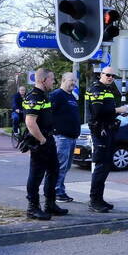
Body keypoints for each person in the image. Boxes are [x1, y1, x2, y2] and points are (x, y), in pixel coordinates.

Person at [23, 68, 68, 220]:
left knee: (54, 171)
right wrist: (42, 139)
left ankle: (50, 204)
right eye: (52, 79)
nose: (53, 82)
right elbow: (30, 122)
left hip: (48, 140)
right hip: (40, 141)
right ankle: (32, 208)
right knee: (36, 176)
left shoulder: (44, 96)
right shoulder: (34, 97)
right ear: (43, 80)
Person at [86, 66, 128, 213]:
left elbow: (106, 112)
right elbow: (98, 111)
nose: (111, 78)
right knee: (100, 166)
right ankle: (94, 201)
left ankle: (99, 198)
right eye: (108, 75)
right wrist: (119, 110)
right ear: (101, 75)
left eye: (113, 76)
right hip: (100, 131)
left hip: (107, 129)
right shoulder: (97, 88)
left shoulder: (106, 89)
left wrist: (117, 115)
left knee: (105, 166)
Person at [50, 71, 81, 203]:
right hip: (62, 137)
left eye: (75, 81)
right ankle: (56, 192)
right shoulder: (57, 95)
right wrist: (54, 130)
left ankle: (60, 190)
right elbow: (48, 113)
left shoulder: (72, 97)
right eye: (71, 80)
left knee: (66, 167)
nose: (73, 83)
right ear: (63, 80)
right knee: (60, 166)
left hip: (71, 137)